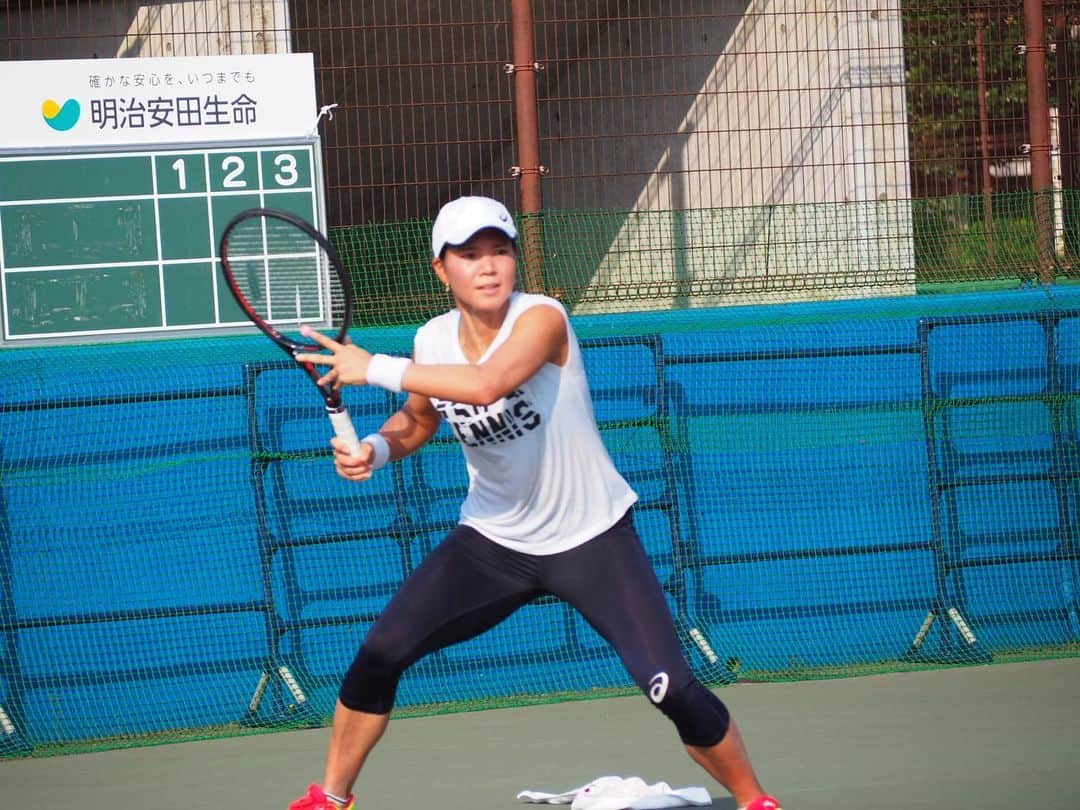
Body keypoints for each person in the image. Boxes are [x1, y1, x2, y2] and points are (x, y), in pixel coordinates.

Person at [288, 196, 783, 810]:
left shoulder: (543, 318)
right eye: (470, 255)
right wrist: (373, 450)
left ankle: (755, 799)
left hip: (593, 538)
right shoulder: (431, 340)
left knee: (671, 688)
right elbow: (419, 422)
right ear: (442, 270)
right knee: (380, 653)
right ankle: (329, 798)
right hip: (492, 544)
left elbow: (488, 383)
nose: (489, 267)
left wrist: (377, 367)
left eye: (500, 251)